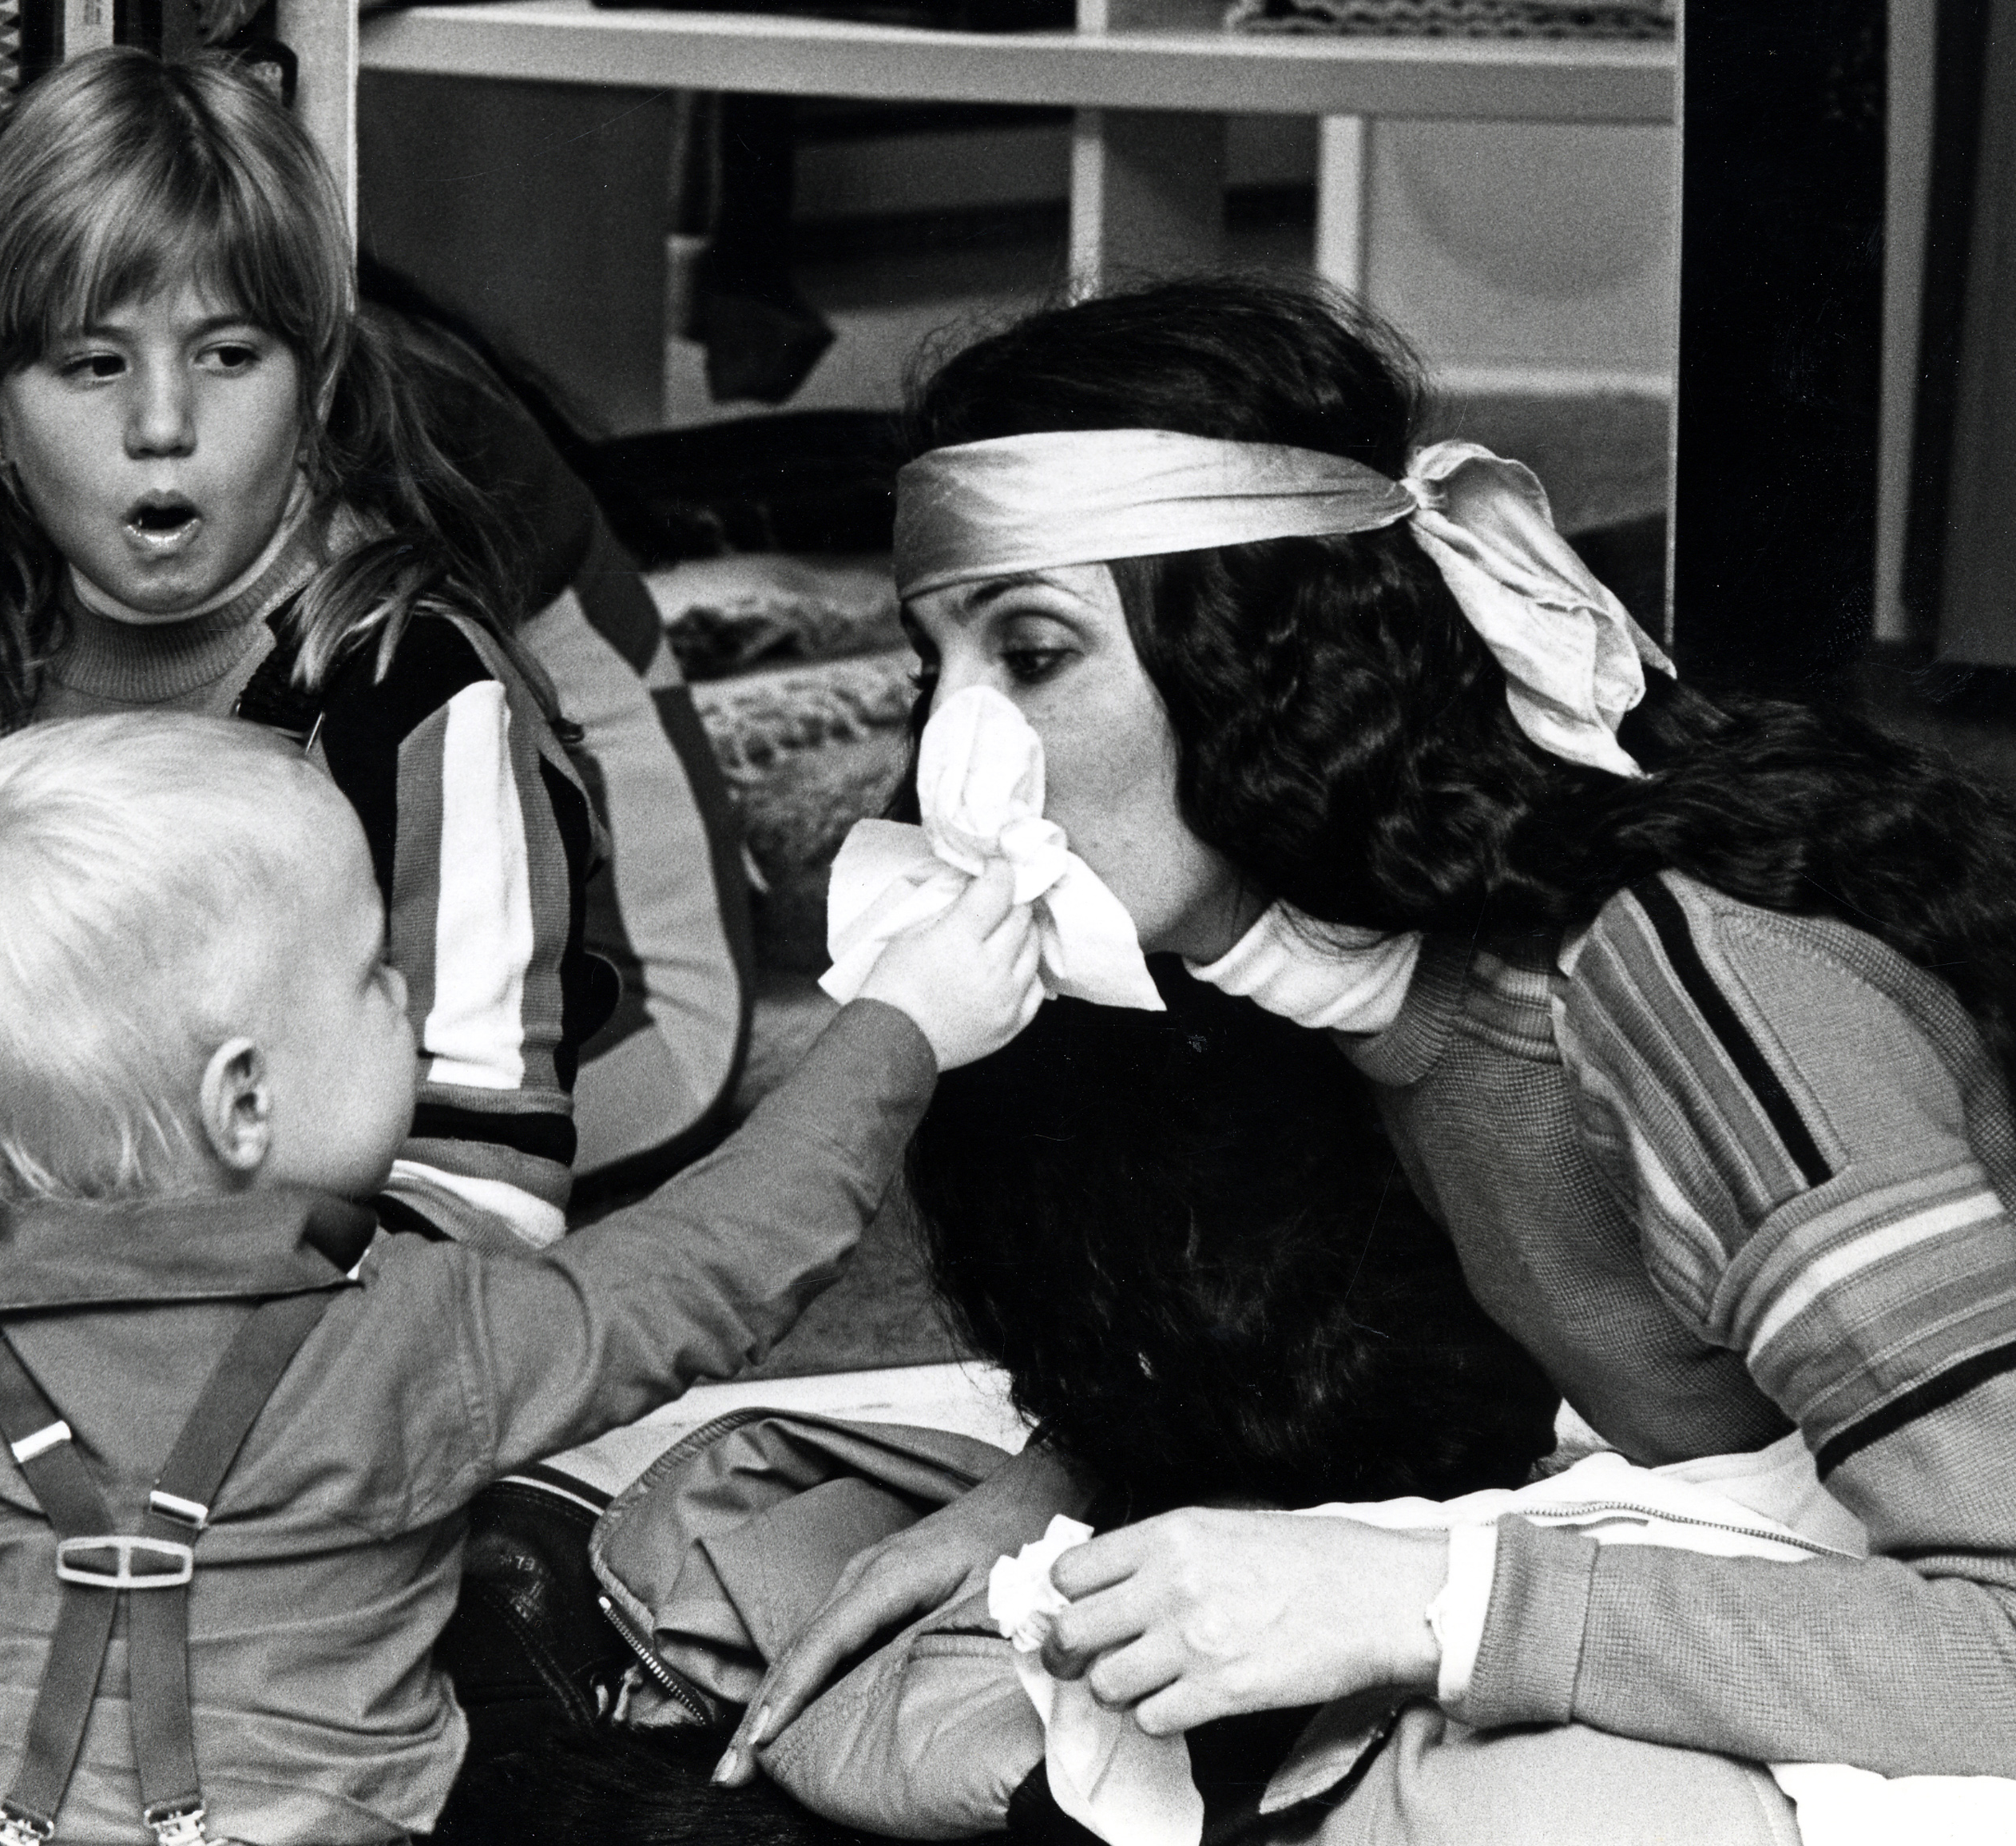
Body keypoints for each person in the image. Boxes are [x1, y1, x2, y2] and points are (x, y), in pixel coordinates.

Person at [716, 276, 2016, 1839]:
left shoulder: (1692, 986)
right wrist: (1054, 1492)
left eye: (1038, 653)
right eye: (946, 669)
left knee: (1508, 1810)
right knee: (751, 1541)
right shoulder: (1306, 989)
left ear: (1260, 655)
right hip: (1697, 1532)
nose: (956, 766)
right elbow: (1383, 1380)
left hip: (1937, 1618)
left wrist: (1433, 1602)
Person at [0, 712, 1040, 1844]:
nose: (404, 996)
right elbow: (710, 1265)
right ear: (244, 1101)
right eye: (372, 972)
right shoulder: (417, 1331)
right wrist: (898, 1027)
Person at [0, 44, 755, 1372]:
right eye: (94, 365)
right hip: (227, 1092)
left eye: (226, 354)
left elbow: (480, 1158)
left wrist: (210, 1390)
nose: (164, 423)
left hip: (584, 1042)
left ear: (317, 389)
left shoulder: (417, 687)